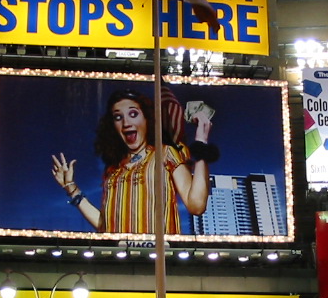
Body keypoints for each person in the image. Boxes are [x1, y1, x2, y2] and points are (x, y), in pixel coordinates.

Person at [52, 88, 217, 234]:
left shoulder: (166, 153)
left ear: (146, 119)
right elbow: (106, 225)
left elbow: (196, 205)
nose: (126, 123)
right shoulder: (113, 171)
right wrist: (71, 188)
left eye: (133, 114)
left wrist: (201, 143)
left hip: (161, 258)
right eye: (118, 117)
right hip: (118, 261)